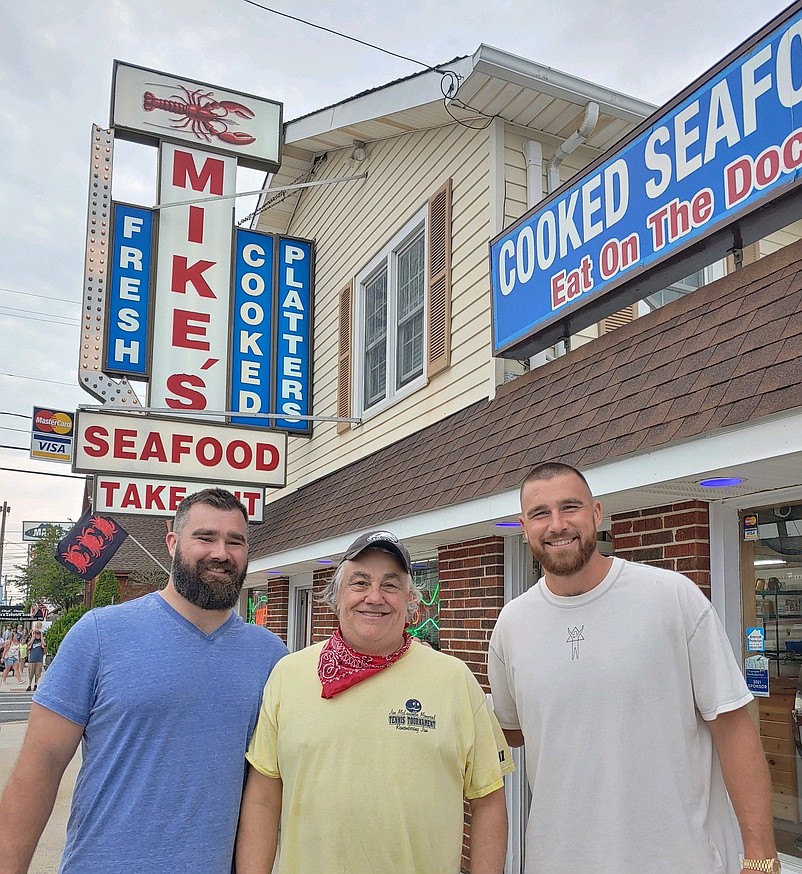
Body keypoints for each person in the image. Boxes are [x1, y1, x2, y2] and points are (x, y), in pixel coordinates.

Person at [488, 461, 779, 874]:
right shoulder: (511, 625)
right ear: (523, 525)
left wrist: (762, 856)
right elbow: (513, 731)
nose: (557, 525)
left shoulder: (671, 597)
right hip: (558, 859)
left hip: (679, 859)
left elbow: (734, 729)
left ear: (596, 514)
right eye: (540, 513)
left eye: (570, 507)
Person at [0, 488, 288, 874]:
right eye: (205, 538)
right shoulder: (100, 634)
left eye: (234, 541)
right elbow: (41, 766)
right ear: (172, 543)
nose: (221, 552)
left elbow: (269, 788)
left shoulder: (269, 656)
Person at [236, 530, 513, 874]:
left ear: (411, 601)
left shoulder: (454, 680)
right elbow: (263, 798)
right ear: (337, 596)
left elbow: (487, 800)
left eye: (391, 585)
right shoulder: (288, 675)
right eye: (360, 583)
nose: (374, 597)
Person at [25, 621, 46, 692]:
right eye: (37, 634)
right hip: (32, 659)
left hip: (39, 659)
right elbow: (28, 644)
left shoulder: (41, 641)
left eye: (38, 634)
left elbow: (44, 644)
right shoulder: (32, 640)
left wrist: (41, 636)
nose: (37, 635)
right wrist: (33, 637)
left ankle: (36, 684)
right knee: (31, 673)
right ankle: (29, 685)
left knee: (38, 673)